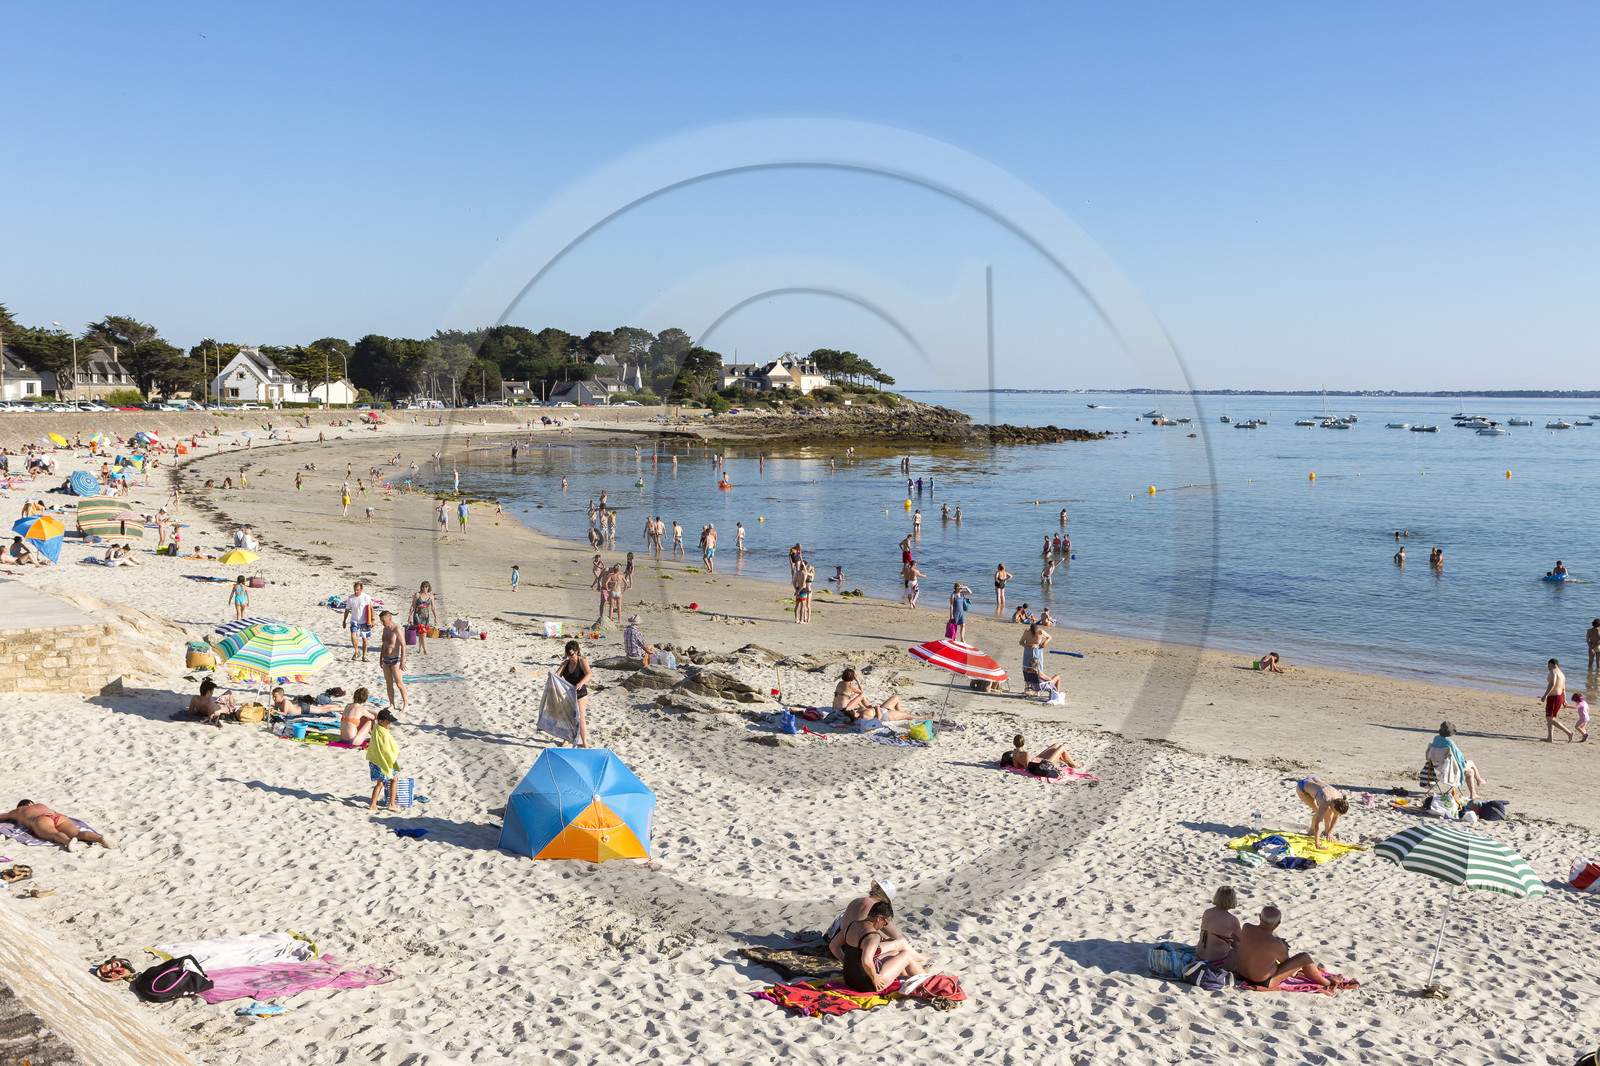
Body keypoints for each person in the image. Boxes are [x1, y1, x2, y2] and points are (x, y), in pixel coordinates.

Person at [1232, 906, 1340, 994]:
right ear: (1278, 923)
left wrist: (1278, 943)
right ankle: (1327, 982)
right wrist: (1284, 947)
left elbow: (1259, 942)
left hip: (1241, 975)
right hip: (1262, 981)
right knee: (1304, 957)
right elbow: (1286, 963)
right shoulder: (1276, 944)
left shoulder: (1246, 927)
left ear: (1260, 917)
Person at [830, 901, 927, 993]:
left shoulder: (851, 925)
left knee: (894, 953)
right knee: (907, 955)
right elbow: (866, 960)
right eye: (886, 922)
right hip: (867, 984)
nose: (885, 925)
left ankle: (909, 974)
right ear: (879, 918)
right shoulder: (873, 935)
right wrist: (875, 978)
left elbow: (833, 946)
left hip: (850, 980)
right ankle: (926, 980)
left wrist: (846, 963)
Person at [0, 800, 116, 851]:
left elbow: (3, 816)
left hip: (40, 820)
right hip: (57, 816)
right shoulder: (41, 804)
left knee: (53, 834)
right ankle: (100, 838)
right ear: (31, 803)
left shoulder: (19, 810)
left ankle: (68, 842)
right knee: (77, 833)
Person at [1422, 721, 1489, 798]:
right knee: (1471, 763)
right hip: (1448, 768)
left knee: (1470, 772)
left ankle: (1473, 793)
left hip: (1436, 765)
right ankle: (1480, 781)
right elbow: (1458, 757)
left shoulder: (1436, 738)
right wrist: (1464, 762)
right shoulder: (1450, 743)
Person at [1294, 776, 1348, 849]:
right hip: (1302, 788)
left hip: (1314, 780)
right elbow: (1318, 824)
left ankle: (1326, 832)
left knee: (1329, 811)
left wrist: (1330, 832)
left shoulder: (1340, 799)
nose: (1335, 814)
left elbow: (1336, 816)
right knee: (1319, 812)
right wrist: (1317, 844)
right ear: (1334, 804)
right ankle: (1311, 831)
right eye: (1335, 811)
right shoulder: (1325, 801)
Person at [557, 641, 593, 748]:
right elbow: (557, 675)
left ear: (576, 652)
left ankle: (585, 742)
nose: (569, 656)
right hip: (568, 694)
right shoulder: (566, 663)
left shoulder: (582, 661)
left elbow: (589, 674)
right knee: (568, 718)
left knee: (581, 719)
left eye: (571, 654)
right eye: (567, 655)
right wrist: (552, 675)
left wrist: (581, 683)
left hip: (581, 693)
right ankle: (566, 739)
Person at [1196, 886, 1242, 965]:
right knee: (1239, 944)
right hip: (1216, 962)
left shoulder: (1207, 912)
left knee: (1223, 937)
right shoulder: (1232, 920)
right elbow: (1242, 939)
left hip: (1199, 957)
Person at [366, 711, 401, 811]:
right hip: (381, 761)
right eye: (388, 722)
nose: (390, 724)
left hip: (374, 760)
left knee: (380, 783)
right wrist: (392, 758)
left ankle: (373, 805)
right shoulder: (383, 733)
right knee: (393, 780)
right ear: (381, 721)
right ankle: (391, 804)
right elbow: (385, 750)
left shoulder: (377, 728)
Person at [378, 611, 409, 713]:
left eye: (383, 621)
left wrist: (402, 662)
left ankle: (406, 704)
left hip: (396, 659)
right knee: (388, 683)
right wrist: (380, 658)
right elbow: (383, 645)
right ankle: (392, 704)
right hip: (386, 659)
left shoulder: (397, 629)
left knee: (399, 684)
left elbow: (403, 646)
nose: (382, 623)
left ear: (389, 619)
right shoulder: (385, 629)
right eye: (381, 621)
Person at [343, 581, 374, 662]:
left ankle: (364, 656)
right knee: (353, 635)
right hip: (354, 620)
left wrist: (372, 620)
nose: (356, 591)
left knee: (364, 639)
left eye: (357, 590)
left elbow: (371, 608)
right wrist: (344, 620)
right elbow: (347, 609)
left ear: (361, 589)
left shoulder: (366, 597)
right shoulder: (351, 598)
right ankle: (357, 652)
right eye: (355, 590)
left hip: (364, 620)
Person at [1544, 658, 1573, 741]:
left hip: (1554, 697)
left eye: (1548, 665)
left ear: (1552, 664)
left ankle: (1568, 732)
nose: (1548, 667)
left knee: (1550, 718)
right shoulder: (1562, 674)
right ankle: (1550, 737)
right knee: (1551, 718)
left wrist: (1545, 695)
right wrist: (1564, 700)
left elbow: (1552, 683)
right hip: (1559, 697)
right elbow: (1564, 689)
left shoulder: (1554, 671)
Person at [410, 581, 435, 656]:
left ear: (428, 587)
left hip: (426, 617)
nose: (424, 588)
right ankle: (425, 650)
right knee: (423, 634)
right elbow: (413, 606)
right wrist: (409, 616)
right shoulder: (417, 595)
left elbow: (433, 607)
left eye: (426, 587)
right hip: (417, 616)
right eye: (423, 586)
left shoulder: (431, 596)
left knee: (422, 633)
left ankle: (420, 648)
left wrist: (435, 617)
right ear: (421, 587)